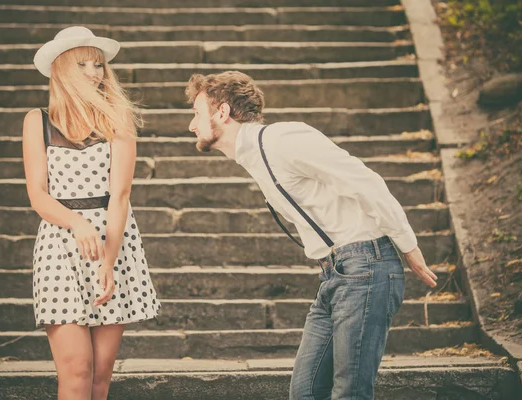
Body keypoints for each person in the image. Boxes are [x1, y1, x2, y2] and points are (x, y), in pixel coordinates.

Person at [185, 71, 438, 400]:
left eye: (196, 113)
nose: (191, 125)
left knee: (350, 393)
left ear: (222, 112)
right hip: (336, 273)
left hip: (366, 266)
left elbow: (364, 181)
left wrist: (408, 245)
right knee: (305, 392)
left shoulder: (283, 140)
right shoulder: (254, 155)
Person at [22, 26, 160, 400]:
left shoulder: (118, 117)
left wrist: (109, 262)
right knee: (76, 371)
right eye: (83, 64)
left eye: (98, 64)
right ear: (61, 69)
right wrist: (76, 222)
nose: (94, 72)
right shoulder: (38, 120)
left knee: (100, 378)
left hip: (112, 243)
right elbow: (38, 194)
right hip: (60, 245)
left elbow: (120, 195)